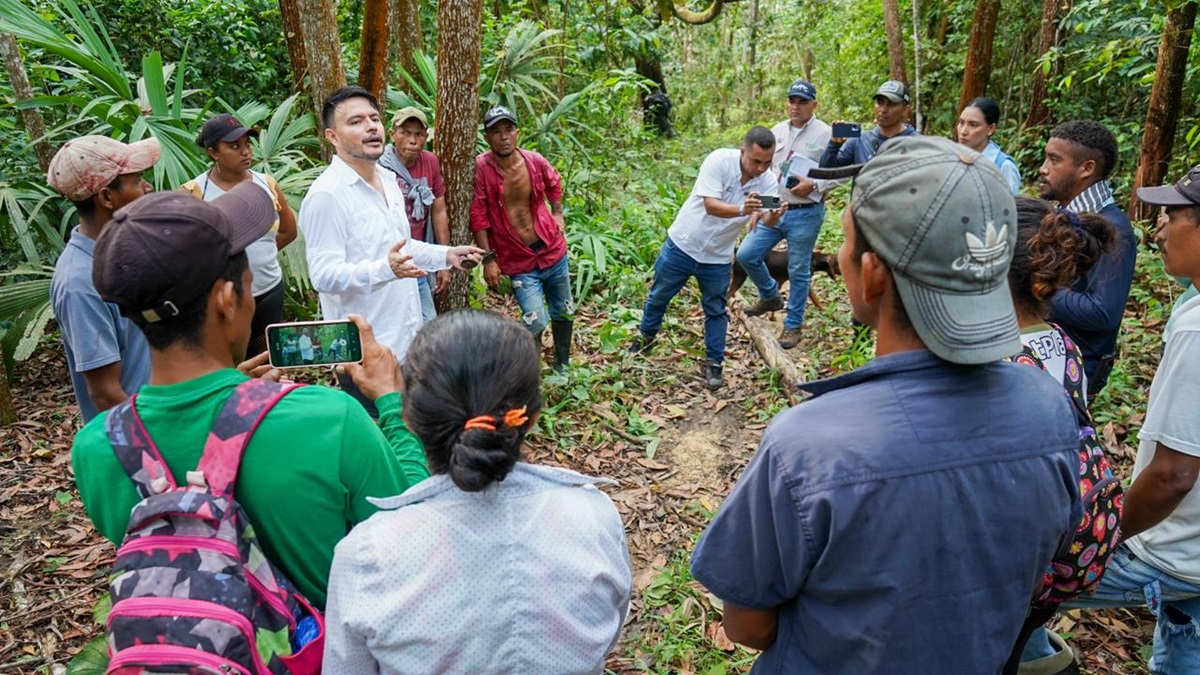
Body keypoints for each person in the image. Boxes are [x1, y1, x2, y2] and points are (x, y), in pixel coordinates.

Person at [689, 136, 1081, 673]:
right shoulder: (1049, 407)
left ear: (870, 274)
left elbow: (747, 625)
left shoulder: (807, 446)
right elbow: (1036, 568)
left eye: (846, 243)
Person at [71, 184, 431, 610]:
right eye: (248, 279)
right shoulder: (328, 419)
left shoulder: (96, 447)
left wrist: (233, 403)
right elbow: (411, 531)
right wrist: (392, 401)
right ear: (227, 300)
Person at [323, 309, 632, 673]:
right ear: (530, 418)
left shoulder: (366, 556)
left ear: (409, 419)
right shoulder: (594, 516)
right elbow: (610, 627)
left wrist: (389, 398)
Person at [1023, 165, 1200, 675]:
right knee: (1184, 643)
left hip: (1168, 547)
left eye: (1173, 216)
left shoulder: (1194, 327)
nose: (1158, 229)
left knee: (1015, 596)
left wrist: (1107, 536)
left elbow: (1173, 474)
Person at [300, 86, 483, 412]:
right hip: (364, 357)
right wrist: (385, 269)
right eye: (355, 122)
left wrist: (446, 254)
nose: (371, 127)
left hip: (406, 343)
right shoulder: (326, 195)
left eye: (374, 118)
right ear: (332, 136)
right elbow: (323, 276)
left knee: (411, 441)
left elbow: (401, 245)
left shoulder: (387, 179)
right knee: (380, 450)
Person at [1001, 196, 1121, 675]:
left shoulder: (1004, 363)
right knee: (1023, 636)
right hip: (1074, 541)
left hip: (1030, 551)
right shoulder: (1063, 343)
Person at [628, 126, 782, 389]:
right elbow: (711, 205)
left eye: (767, 162)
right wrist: (742, 209)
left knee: (715, 308)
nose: (760, 168)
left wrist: (775, 215)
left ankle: (714, 363)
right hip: (684, 244)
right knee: (660, 295)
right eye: (756, 161)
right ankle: (645, 338)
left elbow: (767, 219)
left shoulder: (768, 181)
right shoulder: (719, 161)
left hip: (718, 255)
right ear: (742, 150)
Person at [47, 135, 158, 422]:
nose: (148, 188)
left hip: (161, 420)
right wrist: (153, 451)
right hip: (136, 446)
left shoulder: (123, 249)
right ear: (107, 197)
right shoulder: (79, 284)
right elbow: (106, 393)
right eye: (137, 181)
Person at [183, 113, 297, 356]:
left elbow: (288, 230)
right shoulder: (195, 193)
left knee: (267, 359)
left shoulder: (266, 183)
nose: (245, 152)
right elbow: (186, 252)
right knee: (229, 361)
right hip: (223, 299)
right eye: (235, 146)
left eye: (247, 145)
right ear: (213, 152)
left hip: (268, 291)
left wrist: (260, 257)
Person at [470, 105, 575, 370]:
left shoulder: (534, 161)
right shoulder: (482, 168)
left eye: (508, 130)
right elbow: (478, 214)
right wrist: (488, 259)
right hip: (519, 260)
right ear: (487, 137)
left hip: (552, 251)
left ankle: (562, 365)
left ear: (517, 133)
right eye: (496, 132)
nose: (503, 136)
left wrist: (558, 213)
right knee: (535, 320)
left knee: (564, 310)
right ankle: (529, 368)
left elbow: (555, 182)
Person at [1037, 119, 1137, 398]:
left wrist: (1035, 289)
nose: (1043, 169)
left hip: (1074, 372)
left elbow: (1103, 312)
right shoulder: (1062, 213)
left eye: (1054, 160)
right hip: (1049, 357)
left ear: (1087, 169)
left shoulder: (1113, 229)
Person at [735, 80, 835, 349]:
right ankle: (770, 295)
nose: (796, 106)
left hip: (806, 212)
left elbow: (840, 173)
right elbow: (767, 174)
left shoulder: (827, 135)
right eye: (792, 100)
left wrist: (814, 185)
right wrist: (759, 206)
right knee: (746, 254)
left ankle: (793, 326)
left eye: (803, 101)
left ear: (814, 104)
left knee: (798, 269)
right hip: (776, 207)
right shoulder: (776, 132)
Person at [377, 106, 450, 322]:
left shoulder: (430, 162)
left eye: (418, 134)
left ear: (426, 137)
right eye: (405, 133)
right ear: (392, 135)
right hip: (386, 260)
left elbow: (439, 210)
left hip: (417, 258)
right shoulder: (379, 164)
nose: (412, 140)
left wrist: (443, 261)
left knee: (427, 321)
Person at [819, 79, 918, 168]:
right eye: (880, 102)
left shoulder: (917, 143)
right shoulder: (860, 141)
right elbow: (825, 170)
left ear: (905, 109)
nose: (883, 110)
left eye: (891, 104)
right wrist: (834, 144)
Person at [956, 96, 1021, 195]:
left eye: (973, 125)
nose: (963, 131)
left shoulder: (1003, 167)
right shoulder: (954, 159)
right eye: (961, 123)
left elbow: (1010, 207)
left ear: (990, 129)